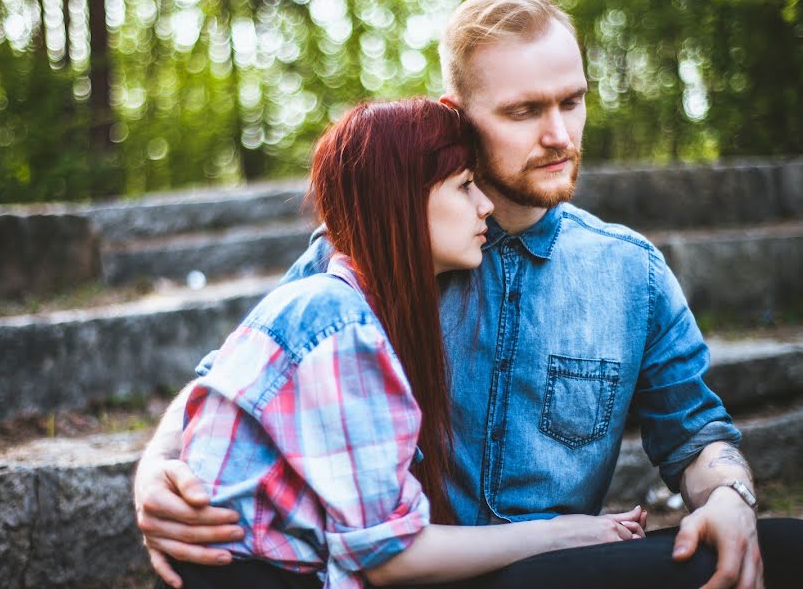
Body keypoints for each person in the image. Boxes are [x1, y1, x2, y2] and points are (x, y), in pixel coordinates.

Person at [135, 0, 803, 588]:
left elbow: (694, 435)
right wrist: (157, 468)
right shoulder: (374, 260)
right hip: (406, 568)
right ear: (457, 116)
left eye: (572, 102)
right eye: (523, 111)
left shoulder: (632, 272)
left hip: (555, 574)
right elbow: (234, 379)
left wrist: (729, 497)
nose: (559, 136)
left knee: (779, 548)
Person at [163, 98, 652, 588]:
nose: (485, 206)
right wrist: (560, 533)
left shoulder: (356, 311)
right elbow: (392, 557)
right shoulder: (335, 321)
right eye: (465, 187)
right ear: (400, 200)